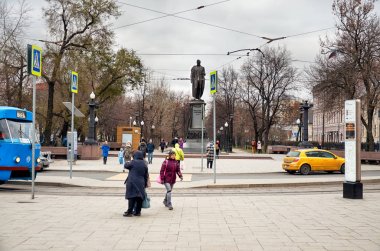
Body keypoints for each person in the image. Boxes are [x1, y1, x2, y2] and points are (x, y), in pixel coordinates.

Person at [123, 151, 149, 217]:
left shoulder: (133, 162)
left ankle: (129, 212)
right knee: (139, 197)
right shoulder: (144, 163)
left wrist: (129, 161)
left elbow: (126, 165)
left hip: (132, 182)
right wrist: (145, 184)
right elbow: (146, 175)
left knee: (131, 197)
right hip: (141, 182)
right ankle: (138, 212)